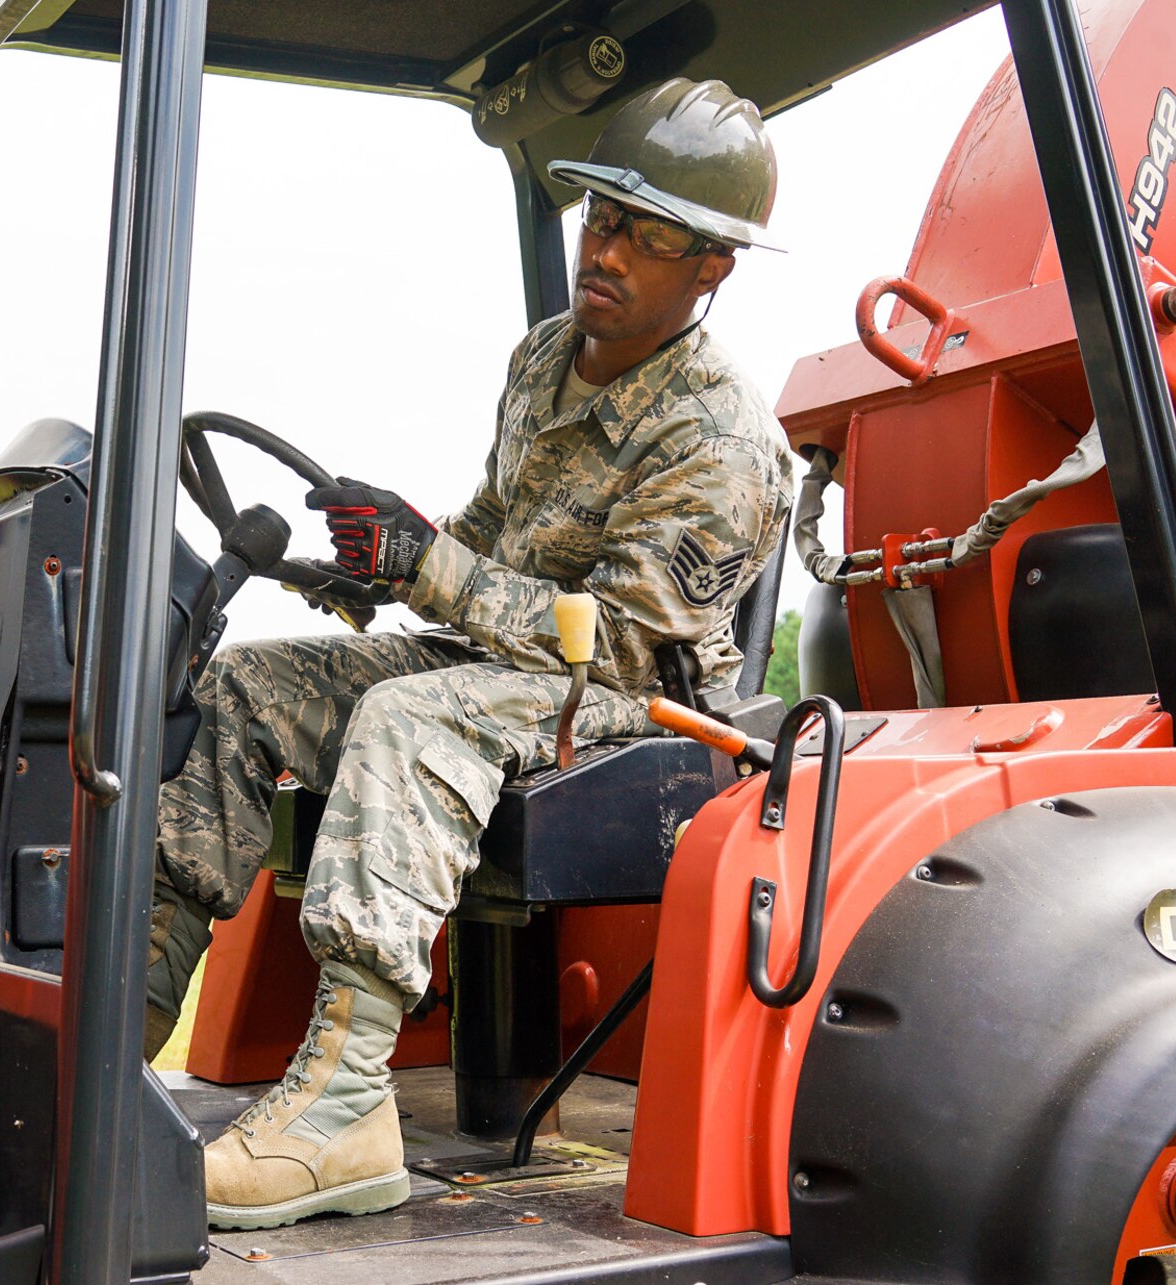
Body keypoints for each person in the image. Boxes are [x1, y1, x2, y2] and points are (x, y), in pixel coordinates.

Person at [144, 77, 798, 1231]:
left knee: (409, 721)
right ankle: (119, 1028)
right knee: (245, 684)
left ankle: (340, 1113)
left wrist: (432, 567)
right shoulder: (545, 357)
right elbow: (491, 541)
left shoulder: (720, 436)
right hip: (507, 670)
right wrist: (382, 559)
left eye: (648, 238)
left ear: (709, 269)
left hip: (639, 706)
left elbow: (619, 638)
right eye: (601, 218)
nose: (607, 250)